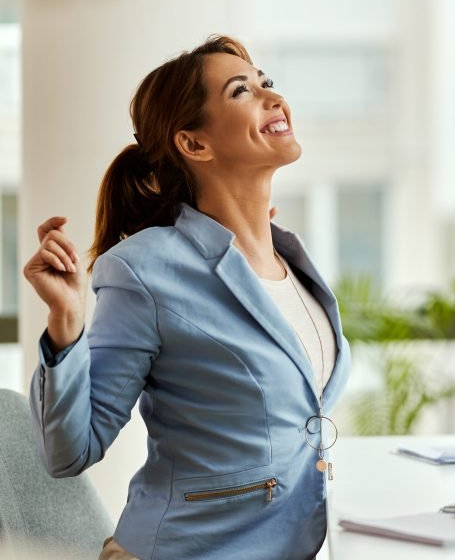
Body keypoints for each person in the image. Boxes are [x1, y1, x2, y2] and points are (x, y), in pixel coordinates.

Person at [23, 35, 351, 560]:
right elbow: (70, 451)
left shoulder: (292, 261)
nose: (272, 97)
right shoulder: (143, 269)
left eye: (268, 83)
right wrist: (66, 321)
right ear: (195, 144)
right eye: (242, 91)